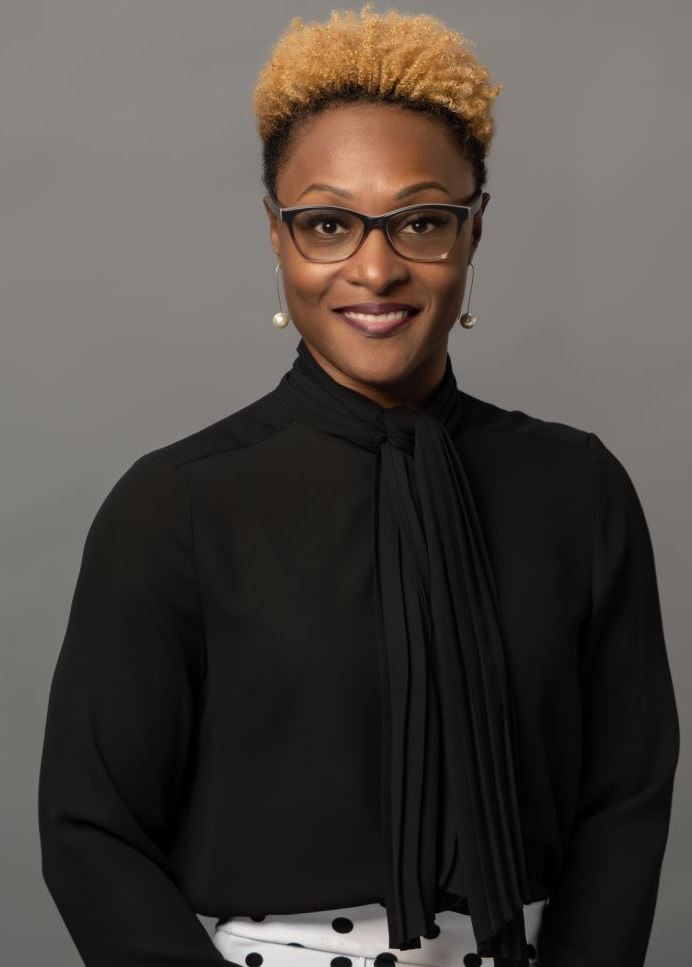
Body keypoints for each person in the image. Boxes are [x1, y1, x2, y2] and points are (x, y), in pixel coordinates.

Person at [38, 5, 680, 967]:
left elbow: (625, 799)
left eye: (421, 222)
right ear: (277, 235)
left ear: (473, 230)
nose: (375, 270)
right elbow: (91, 829)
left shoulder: (579, 491)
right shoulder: (174, 507)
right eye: (329, 224)